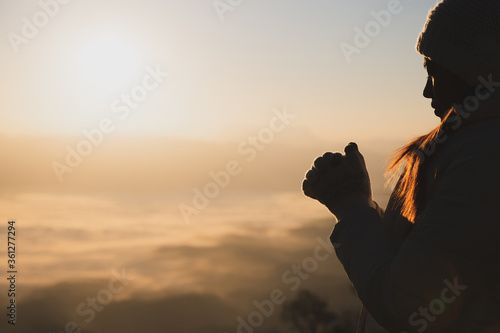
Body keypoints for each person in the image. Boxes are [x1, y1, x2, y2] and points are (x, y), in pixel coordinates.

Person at [302, 1, 500, 332]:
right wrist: (361, 203)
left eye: (434, 72)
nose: (425, 91)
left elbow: (409, 307)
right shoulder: (470, 148)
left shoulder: (484, 158)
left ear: (473, 71)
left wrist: (350, 209)